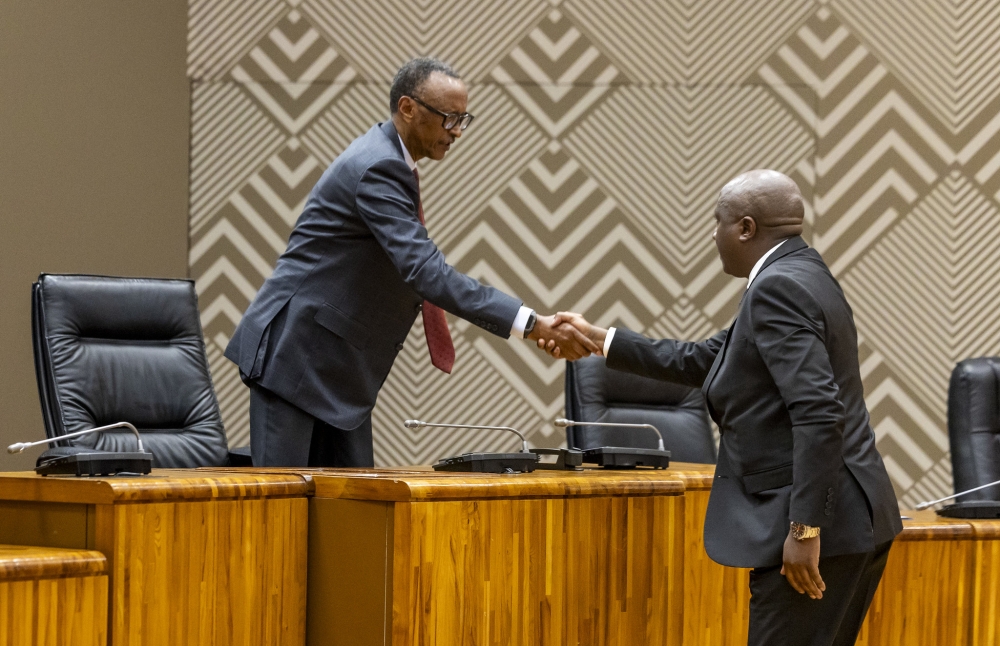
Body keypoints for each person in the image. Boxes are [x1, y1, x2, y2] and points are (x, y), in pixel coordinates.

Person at [551, 170, 902, 646]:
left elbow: (820, 412)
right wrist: (600, 339)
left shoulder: (778, 288)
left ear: (746, 228)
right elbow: (705, 360)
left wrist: (804, 530)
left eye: (717, 222)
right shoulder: (805, 272)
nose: (712, 235)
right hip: (854, 520)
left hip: (818, 533)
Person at [225, 57, 598, 468]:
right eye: (448, 118)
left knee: (354, 514)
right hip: (296, 357)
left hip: (335, 367)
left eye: (463, 119)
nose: (456, 131)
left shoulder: (389, 159)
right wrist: (531, 323)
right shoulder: (378, 167)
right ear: (408, 108)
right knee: (283, 515)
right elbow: (425, 272)